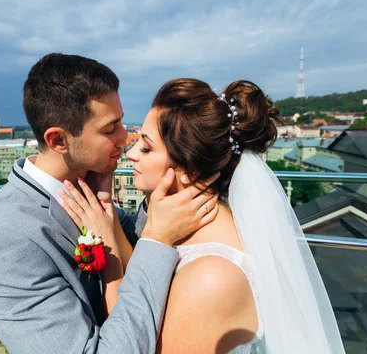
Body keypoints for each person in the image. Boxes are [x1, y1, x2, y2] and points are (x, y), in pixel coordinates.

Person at [0, 55, 220, 353]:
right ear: (58, 141)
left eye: (121, 122)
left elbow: (128, 232)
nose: (124, 139)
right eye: (110, 129)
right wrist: (158, 239)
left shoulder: (84, 183)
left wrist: (121, 205)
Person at [61, 78, 346, 353]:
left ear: (190, 172)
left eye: (146, 147)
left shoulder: (212, 277)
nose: (131, 153)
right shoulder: (186, 228)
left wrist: (108, 252)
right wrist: (108, 216)